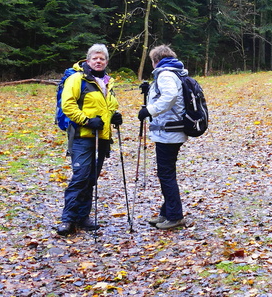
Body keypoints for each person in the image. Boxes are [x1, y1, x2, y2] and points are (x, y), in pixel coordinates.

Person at [57, 44, 123, 236]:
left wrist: (114, 117)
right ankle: (67, 219)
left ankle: (83, 217)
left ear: (106, 62)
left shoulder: (107, 82)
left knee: (91, 178)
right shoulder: (77, 79)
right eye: (95, 58)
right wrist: (86, 121)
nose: (98, 61)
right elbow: (67, 105)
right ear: (88, 60)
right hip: (82, 135)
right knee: (80, 176)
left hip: (101, 136)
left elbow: (109, 107)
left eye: (102, 58)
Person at [138, 45, 188, 230]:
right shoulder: (174, 72)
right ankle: (167, 212)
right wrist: (149, 90)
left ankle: (175, 216)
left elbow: (170, 96)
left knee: (166, 174)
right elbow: (164, 95)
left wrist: (148, 110)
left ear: (155, 60)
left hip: (169, 132)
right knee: (166, 173)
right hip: (170, 130)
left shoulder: (166, 74)